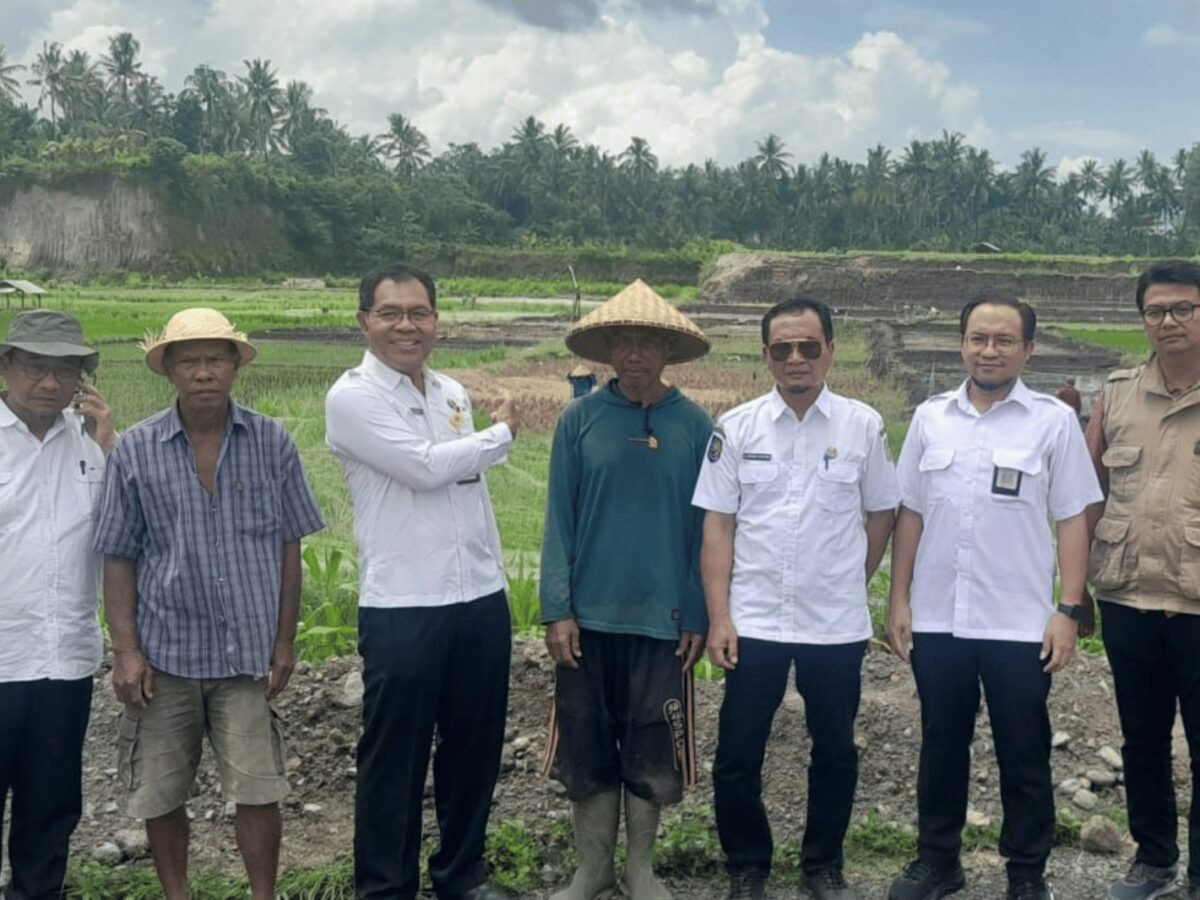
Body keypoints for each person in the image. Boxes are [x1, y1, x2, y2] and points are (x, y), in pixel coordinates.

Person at [93, 308, 325, 900]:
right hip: (166, 657)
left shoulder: (271, 441)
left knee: (258, 790)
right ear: (168, 368)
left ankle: (262, 895)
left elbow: (287, 547)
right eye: (189, 360)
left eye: (215, 359)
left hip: (245, 658)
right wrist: (126, 652)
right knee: (162, 793)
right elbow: (117, 557)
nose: (203, 372)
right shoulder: (137, 451)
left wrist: (284, 642)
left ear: (234, 368)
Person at [885, 293, 1102, 900]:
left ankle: (1027, 873)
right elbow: (911, 515)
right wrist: (898, 600)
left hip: (1020, 624)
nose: (989, 350)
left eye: (1004, 340)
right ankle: (938, 862)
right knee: (941, 745)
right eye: (979, 338)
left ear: (1027, 350)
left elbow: (1073, 520)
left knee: (1024, 752)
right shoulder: (931, 418)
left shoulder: (1054, 422)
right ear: (961, 343)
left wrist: (1068, 610)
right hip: (939, 618)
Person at [693, 297, 898, 900]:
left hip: (833, 625)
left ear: (830, 350)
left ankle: (821, 866)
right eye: (782, 348)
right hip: (753, 620)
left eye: (809, 346)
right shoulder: (735, 427)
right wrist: (719, 617)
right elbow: (718, 527)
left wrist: (851, 580)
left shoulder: (863, 425)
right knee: (736, 753)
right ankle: (747, 866)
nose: (796, 358)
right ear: (766, 356)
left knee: (835, 750)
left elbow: (882, 513)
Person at [325, 263, 519, 900]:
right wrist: (503, 434)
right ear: (364, 322)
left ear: (436, 321)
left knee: (473, 749)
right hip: (406, 605)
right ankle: (384, 889)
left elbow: (468, 490)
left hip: (478, 599)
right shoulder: (352, 397)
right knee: (394, 762)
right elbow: (425, 468)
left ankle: (461, 876)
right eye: (390, 313)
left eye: (419, 313)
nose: (406, 325)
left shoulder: (452, 393)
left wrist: (495, 584)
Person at [540, 278, 712, 900]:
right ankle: (593, 869)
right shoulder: (579, 421)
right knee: (586, 742)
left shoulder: (695, 426)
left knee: (652, 743)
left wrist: (696, 610)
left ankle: (640, 867)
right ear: (607, 351)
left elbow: (707, 529)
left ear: (668, 352)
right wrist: (557, 609)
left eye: (647, 343)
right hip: (588, 619)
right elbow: (558, 519)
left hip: (663, 621)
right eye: (623, 342)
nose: (634, 354)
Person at [1085, 261, 1200, 900]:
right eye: (1156, 312)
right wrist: (1074, 592)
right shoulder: (1117, 395)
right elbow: (1089, 494)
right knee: (1142, 738)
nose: (1169, 322)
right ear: (1143, 322)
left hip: (1198, 603)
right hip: (1128, 595)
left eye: (1183, 308)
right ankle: (1154, 860)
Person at [0, 310, 115, 900]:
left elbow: (122, 542)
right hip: (2, 659)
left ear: (81, 379)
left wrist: (109, 446)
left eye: (64, 370)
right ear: (7, 368)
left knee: (51, 809)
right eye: (35, 367)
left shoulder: (94, 447)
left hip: (64, 663)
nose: (48, 382)